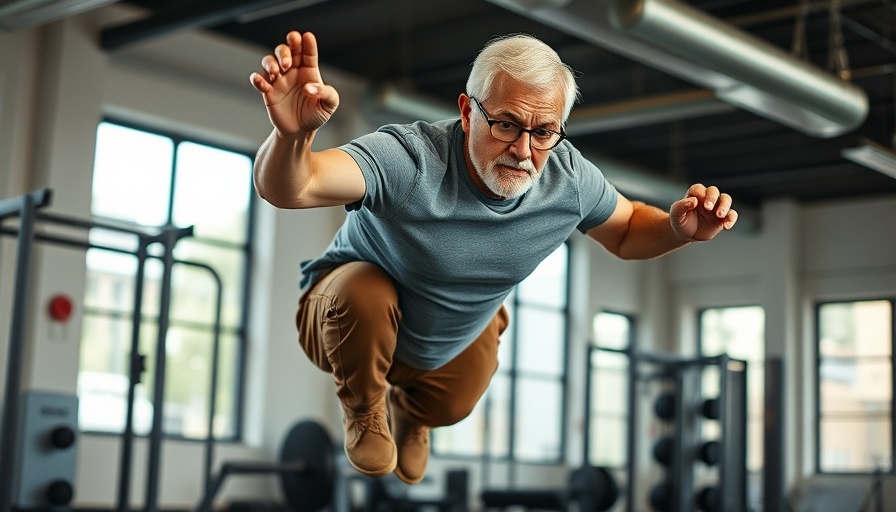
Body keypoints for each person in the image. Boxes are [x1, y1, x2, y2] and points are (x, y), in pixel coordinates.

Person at [249, 30, 738, 484]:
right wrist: (292, 137)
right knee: (365, 288)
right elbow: (296, 186)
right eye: (506, 124)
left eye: (545, 131)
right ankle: (364, 407)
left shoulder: (567, 179)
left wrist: (678, 230)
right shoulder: (410, 159)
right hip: (340, 321)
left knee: (457, 401)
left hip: (448, 338)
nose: (524, 150)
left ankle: (415, 414)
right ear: (467, 112)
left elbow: (629, 229)